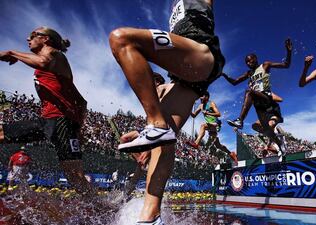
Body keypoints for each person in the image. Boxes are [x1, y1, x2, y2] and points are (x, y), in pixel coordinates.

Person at [109, 0, 224, 222]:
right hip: (184, 77)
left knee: (122, 39)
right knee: (164, 140)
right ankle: (150, 218)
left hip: (201, 53)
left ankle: (156, 123)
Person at [0, 27, 94, 195]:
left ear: (45, 39)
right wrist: (78, 128)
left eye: (32, 36)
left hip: (61, 121)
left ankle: (102, 210)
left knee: (75, 176)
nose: (27, 39)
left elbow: (43, 62)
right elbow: (81, 102)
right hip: (48, 121)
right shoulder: (53, 66)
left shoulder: (56, 56)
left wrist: (11, 53)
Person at [222, 39, 292, 152]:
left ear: (256, 59)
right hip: (258, 105)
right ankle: (279, 144)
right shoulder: (249, 73)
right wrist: (223, 74)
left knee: (249, 91)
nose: (249, 63)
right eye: (247, 62)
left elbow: (286, 65)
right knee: (265, 130)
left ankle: (240, 120)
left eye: (251, 60)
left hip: (266, 97)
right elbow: (234, 82)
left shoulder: (265, 65)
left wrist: (288, 52)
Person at [187, 91, 238, 163]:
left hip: (216, 124)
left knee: (203, 126)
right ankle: (231, 153)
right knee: (218, 145)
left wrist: (208, 113)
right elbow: (194, 115)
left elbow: (219, 114)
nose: (200, 98)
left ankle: (196, 143)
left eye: (202, 96)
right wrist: (187, 108)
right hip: (210, 127)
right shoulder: (201, 106)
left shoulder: (211, 103)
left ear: (206, 97)